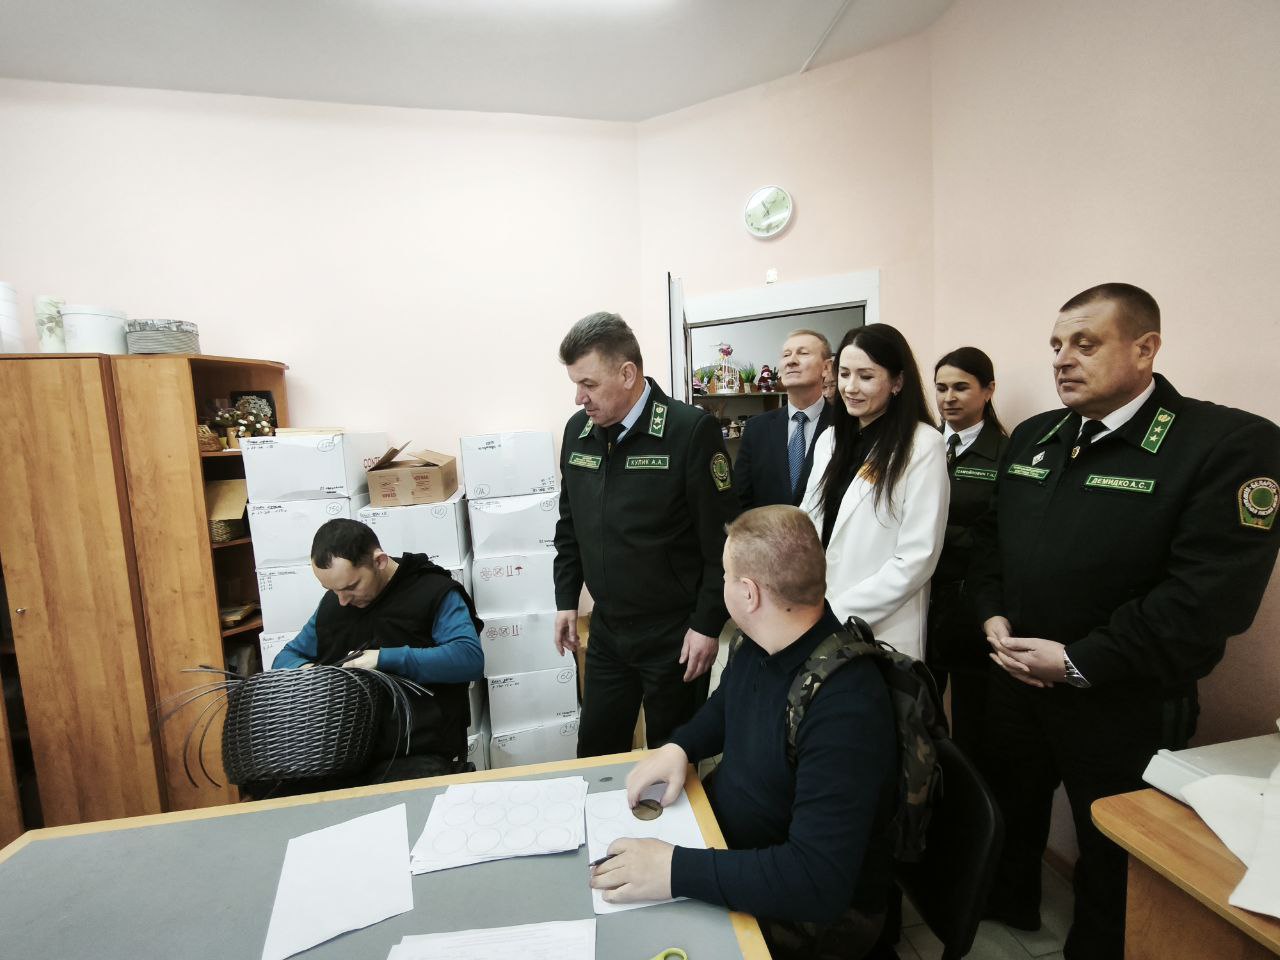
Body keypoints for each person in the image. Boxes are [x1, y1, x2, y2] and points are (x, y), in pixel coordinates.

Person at [968, 283, 1280, 959]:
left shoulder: (1225, 444)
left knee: (1112, 853)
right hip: (1016, 681)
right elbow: (992, 544)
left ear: (1146, 349)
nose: (1062, 360)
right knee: (1011, 811)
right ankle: (1009, 906)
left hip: (1122, 699)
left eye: (1085, 344)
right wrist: (991, 613)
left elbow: (1207, 599)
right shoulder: (1035, 437)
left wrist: (1077, 661)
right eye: (1056, 345)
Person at [589, 505, 896, 960]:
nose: (722, 584)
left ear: (748, 593)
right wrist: (680, 747)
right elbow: (727, 706)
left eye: (726, 575)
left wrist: (673, 870)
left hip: (804, 912)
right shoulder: (762, 641)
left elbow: (817, 882)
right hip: (730, 850)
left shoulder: (846, 705)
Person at [553, 311, 741, 758]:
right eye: (575, 385)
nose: (579, 398)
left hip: (674, 636)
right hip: (608, 630)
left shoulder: (688, 431)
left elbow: (723, 543)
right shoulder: (579, 432)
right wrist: (565, 599)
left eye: (589, 384)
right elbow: (570, 525)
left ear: (627, 373)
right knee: (596, 753)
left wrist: (707, 624)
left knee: (672, 758)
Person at [273, 518, 484, 784]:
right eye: (331, 590)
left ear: (379, 561)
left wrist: (384, 658)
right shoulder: (335, 603)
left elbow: (469, 659)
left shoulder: (433, 592)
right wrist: (311, 672)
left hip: (416, 749)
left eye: (351, 587)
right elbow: (285, 658)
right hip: (343, 750)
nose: (342, 600)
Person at [799, 323, 949, 660]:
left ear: (897, 382)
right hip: (816, 615)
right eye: (844, 374)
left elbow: (917, 557)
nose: (851, 387)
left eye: (866, 376)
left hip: (881, 627)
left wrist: (837, 611)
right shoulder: (829, 441)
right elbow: (808, 522)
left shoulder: (923, 445)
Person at [926, 347, 1009, 757]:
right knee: (920, 712)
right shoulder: (921, 445)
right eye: (941, 388)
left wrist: (932, 536)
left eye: (961, 387)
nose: (949, 398)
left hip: (970, 605)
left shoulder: (1006, 453)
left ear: (988, 390)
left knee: (973, 721)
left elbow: (998, 534)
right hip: (920, 599)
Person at [733, 329, 834, 508]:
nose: (791, 361)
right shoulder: (756, 429)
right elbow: (741, 498)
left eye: (803, 353)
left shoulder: (846, 425)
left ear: (826, 368)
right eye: (786, 355)